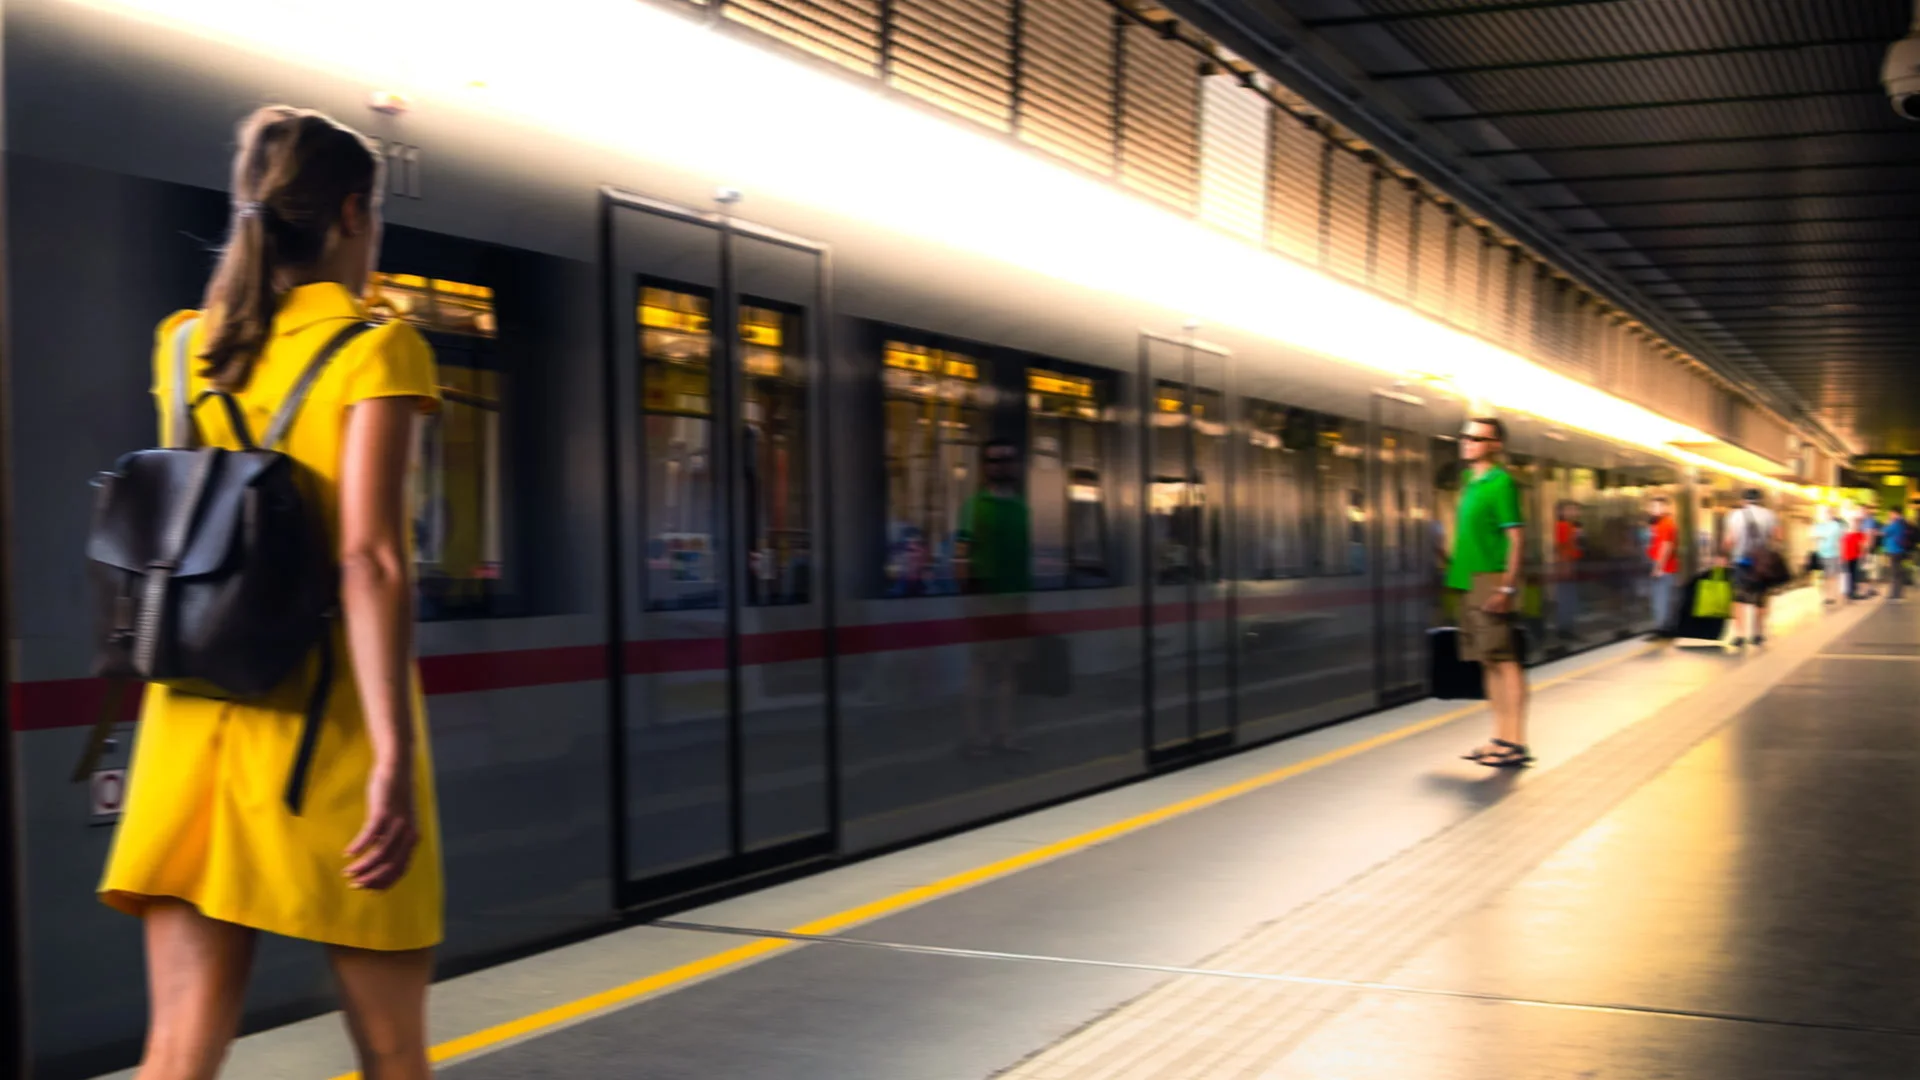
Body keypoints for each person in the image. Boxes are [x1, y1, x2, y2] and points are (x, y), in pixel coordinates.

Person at [98, 106, 443, 1080]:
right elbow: (370, 561)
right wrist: (393, 759)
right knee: (390, 1057)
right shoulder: (377, 351)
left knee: (177, 1054)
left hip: (192, 729)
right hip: (326, 738)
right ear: (349, 214)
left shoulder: (182, 349)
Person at [1447, 417, 1530, 768]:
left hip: (1490, 579)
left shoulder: (1501, 483)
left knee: (1505, 660)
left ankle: (1515, 742)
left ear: (1495, 445)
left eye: (1477, 438)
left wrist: (1507, 586)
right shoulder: (1469, 481)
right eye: (1465, 436)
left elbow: (1515, 539)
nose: (1468, 442)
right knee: (1488, 661)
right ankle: (1499, 737)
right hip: (1466, 579)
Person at [956, 437, 1032, 754]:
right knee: (982, 670)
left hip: (1015, 600)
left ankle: (1005, 735)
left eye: (1006, 460)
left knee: (1007, 672)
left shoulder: (1021, 508)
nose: (1000, 466)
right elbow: (962, 557)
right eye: (993, 461)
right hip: (985, 598)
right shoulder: (975, 506)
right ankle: (976, 737)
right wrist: (969, 600)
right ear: (984, 467)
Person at [1721, 488, 1783, 647]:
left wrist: (1723, 555)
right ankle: (1757, 633)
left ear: (1743, 501)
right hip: (1762, 563)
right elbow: (1778, 537)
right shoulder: (1769, 515)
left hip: (1741, 562)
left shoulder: (1735, 515)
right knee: (1760, 599)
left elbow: (1730, 540)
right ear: (1760, 500)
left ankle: (1740, 635)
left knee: (1738, 599)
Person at [1646, 495, 1680, 635]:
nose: (1654, 509)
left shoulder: (1666, 523)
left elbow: (1666, 546)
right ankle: (1664, 625)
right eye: (1652, 506)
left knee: (1662, 597)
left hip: (1664, 567)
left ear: (1665, 507)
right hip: (1664, 565)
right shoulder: (1660, 524)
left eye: (1658, 506)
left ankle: (1662, 627)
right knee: (1662, 596)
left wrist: (1658, 567)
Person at [1811, 504, 1846, 607]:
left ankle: (1832, 596)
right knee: (1824, 577)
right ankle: (1826, 596)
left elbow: (1840, 540)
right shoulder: (1820, 525)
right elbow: (1813, 535)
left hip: (1833, 553)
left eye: (1830, 512)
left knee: (1832, 576)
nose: (1828, 514)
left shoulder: (1836, 526)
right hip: (1822, 553)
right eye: (1827, 512)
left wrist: (1842, 554)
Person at [1885, 507, 1912, 601]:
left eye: (1891, 514)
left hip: (1894, 551)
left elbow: (1885, 531)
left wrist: (1888, 523)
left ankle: (1895, 595)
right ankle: (1898, 594)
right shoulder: (1903, 522)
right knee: (1898, 573)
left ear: (1895, 513)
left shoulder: (1895, 523)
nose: (1890, 516)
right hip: (1901, 550)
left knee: (1895, 574)